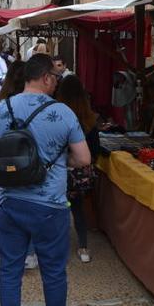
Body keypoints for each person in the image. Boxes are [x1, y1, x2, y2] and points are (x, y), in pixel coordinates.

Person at [0, 54, 91, 306]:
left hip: (10, 201)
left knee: (10, 271)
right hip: (50, 204)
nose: (56, 82)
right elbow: (84, 158)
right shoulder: (62, 112)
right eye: (55, 77)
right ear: (45, 77)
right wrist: (61, 161)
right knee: (53, 273)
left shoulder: (1, 109)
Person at [55, 75, 100, 264]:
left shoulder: (57, 116)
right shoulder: (89, 119)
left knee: (57, 210)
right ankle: (83, 247)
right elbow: (95, 151)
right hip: (80, 174)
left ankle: (56, 248)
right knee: (78, 209)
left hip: (58, 171)